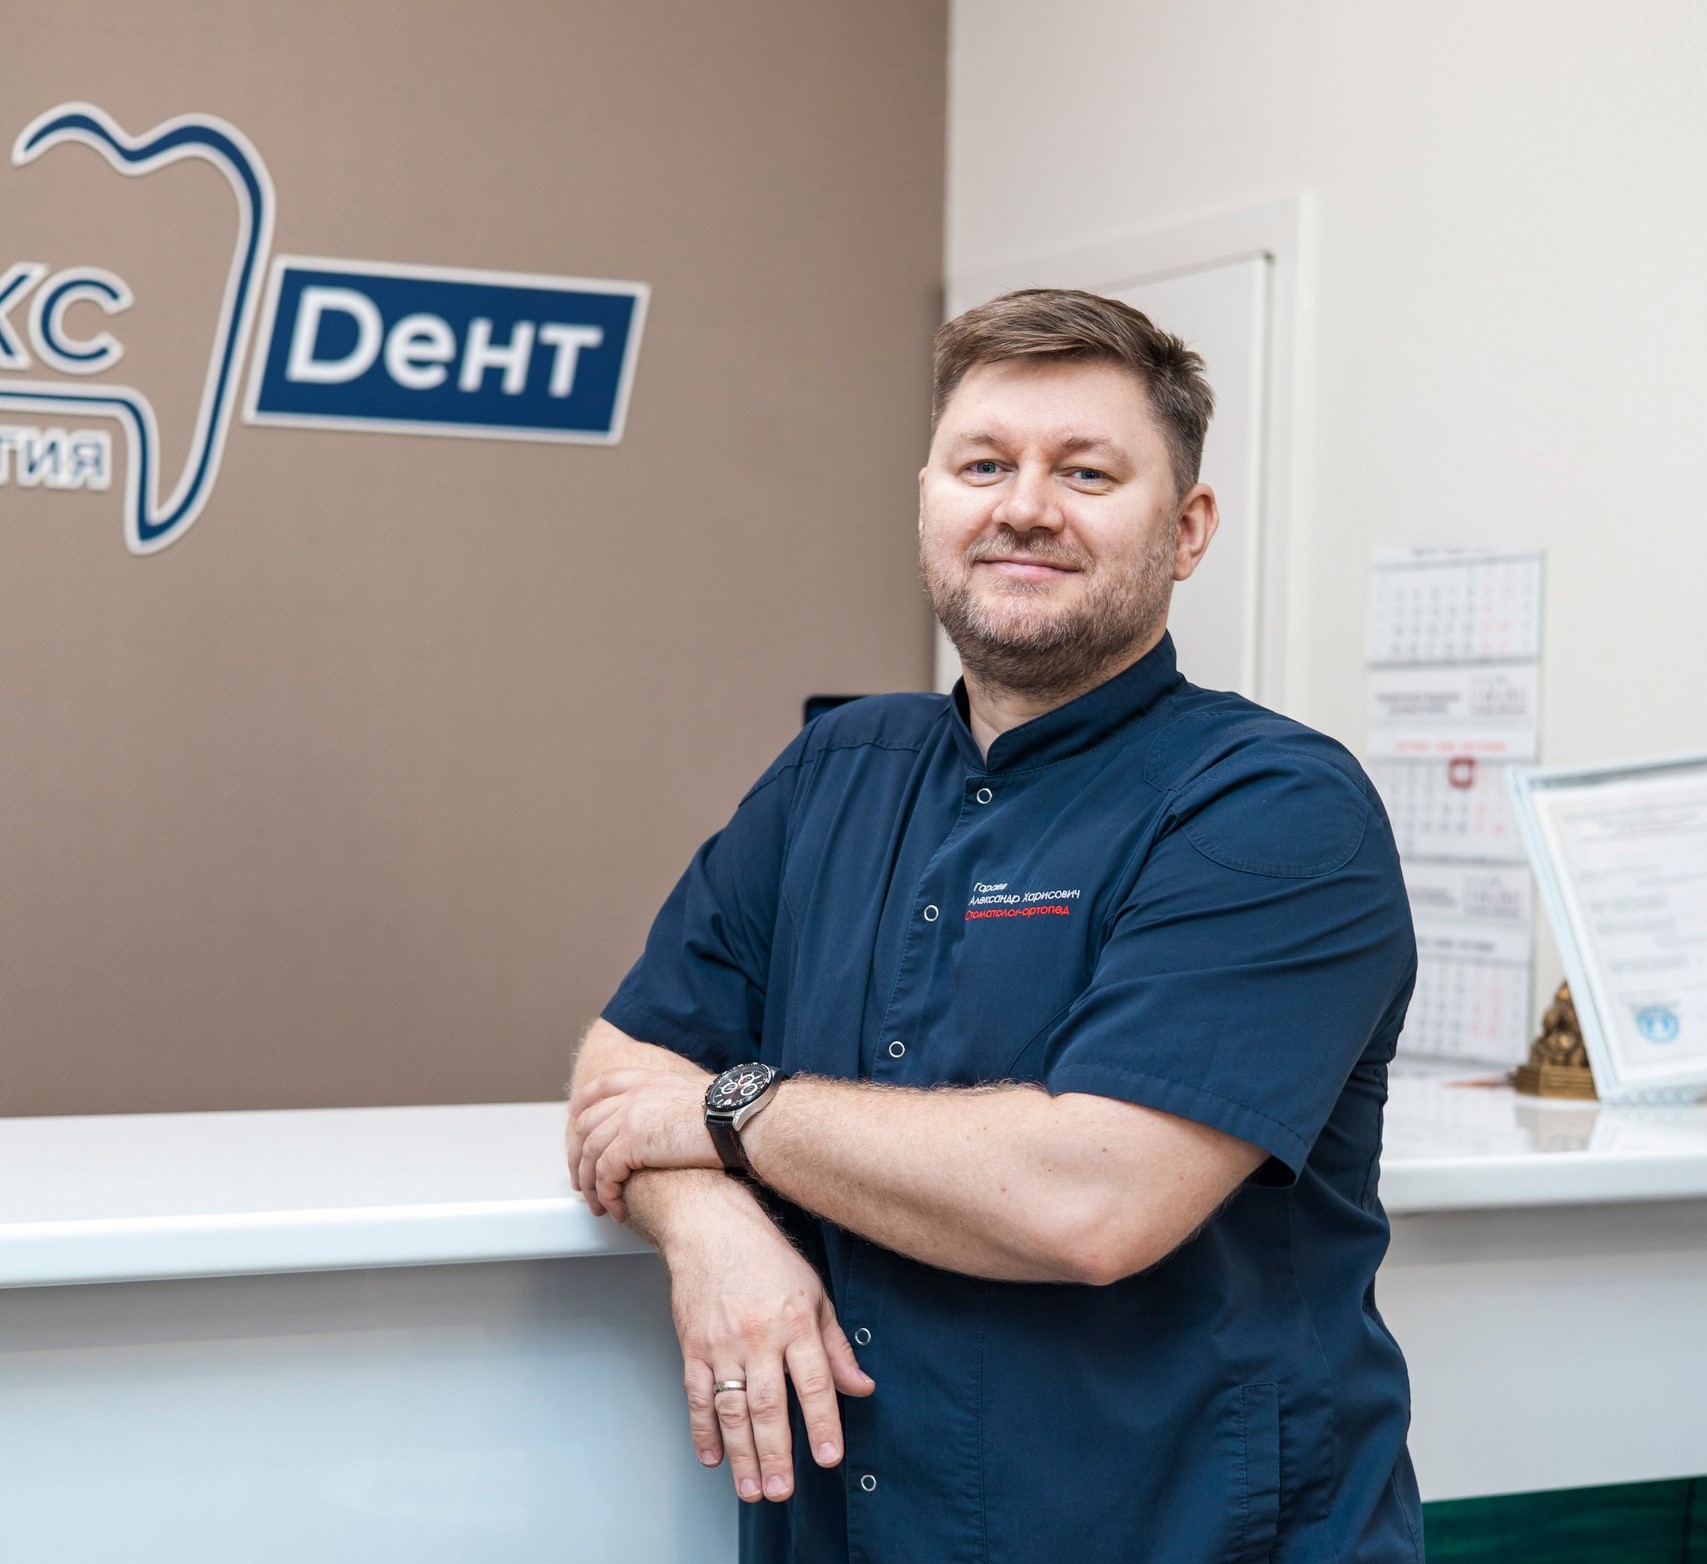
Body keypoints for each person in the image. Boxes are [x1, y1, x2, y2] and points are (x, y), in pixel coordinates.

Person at [566, 288, 1422, 1564]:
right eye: (983, 466)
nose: (1025, 506)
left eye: (1087, 472)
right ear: (928, 501)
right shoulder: (836, 771)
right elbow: (624, 1070)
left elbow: (1091, 1199)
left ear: (1188, 529)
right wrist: (710, 1228)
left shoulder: (1275, 809)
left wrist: (730, 1111)